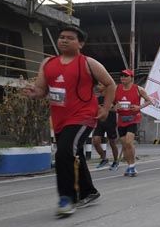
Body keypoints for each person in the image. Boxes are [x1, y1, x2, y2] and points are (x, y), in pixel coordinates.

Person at [23, 26, 115, 217]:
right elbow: (41, 90)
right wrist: (34, 93)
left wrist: (105, 108)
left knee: (64, 153)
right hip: (59, 118)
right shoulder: (47, 63)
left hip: (83, 116)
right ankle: (89, 191)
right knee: (75, 154)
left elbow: (110, 84)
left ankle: (67, 198)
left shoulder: (89, 63)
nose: (64, 40)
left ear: (80, 43)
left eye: (70, 38)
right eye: (61, 37)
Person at [114, 69, 152, 177]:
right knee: (125, 145)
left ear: (131, 77)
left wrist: (139, 107)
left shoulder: (138, 89)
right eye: (121, 76)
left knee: (129, 142)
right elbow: (111, 106)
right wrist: (114, 107)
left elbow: (149, 101)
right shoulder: (116, 89)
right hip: (121, 119)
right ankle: (130, 165)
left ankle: (132, 166)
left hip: (133, 118)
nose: (123, 78)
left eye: (125, 76)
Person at [91, 81, 120, 170]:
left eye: (100, 85)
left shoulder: (112, 97)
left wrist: (109, 108)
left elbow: (117, 107)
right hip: (100, 122)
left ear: (105, 86)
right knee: (95, 141)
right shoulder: (97, 98)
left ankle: (115, 161)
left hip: (110, 122)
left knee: (112, 143)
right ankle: (104, 158)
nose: (98, 87)